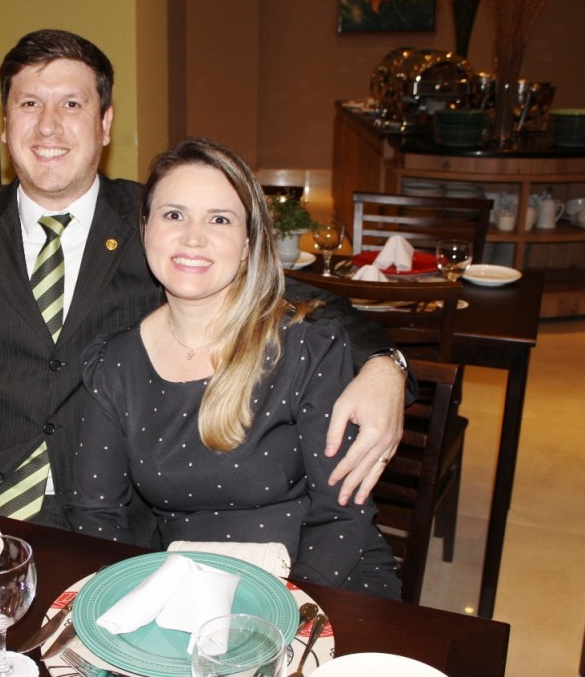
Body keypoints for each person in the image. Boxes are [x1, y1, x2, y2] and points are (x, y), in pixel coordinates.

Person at [0, 30, 405, 536]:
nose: (48, 126)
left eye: (72, 104)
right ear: (4, 121)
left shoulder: (158, 223)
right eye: (29, 103)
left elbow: (291, 295)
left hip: (109, 517)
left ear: (105, 123)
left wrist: (386, 365)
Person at [65, 137, 401, 598]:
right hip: (191, 588)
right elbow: (95, 513)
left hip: (323, 580)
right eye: (174, 214)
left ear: (247, 244)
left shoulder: (305, 347)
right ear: (145, 229)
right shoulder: (115, 363)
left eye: (219, 219)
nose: (193, 237)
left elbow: (342, 515)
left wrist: (280, 612)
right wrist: (131, 598)